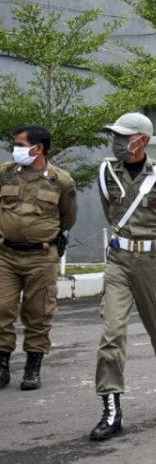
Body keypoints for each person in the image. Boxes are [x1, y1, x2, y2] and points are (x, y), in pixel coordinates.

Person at [90, 112, 156, 442]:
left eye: (124, 135)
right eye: (115, 135)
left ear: (142, 140)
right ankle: (111, 409)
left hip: (153, 261)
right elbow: (111, 212)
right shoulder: (107, 171)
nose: (117, 141)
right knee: (111, 332)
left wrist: (152, 245)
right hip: (119, 260)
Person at [0, 125, 77, 391]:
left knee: (38, 312)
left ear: (38, 148)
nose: (16, 150)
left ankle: (33, 366)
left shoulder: (61, 180)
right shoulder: (5, 173)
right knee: (1, 309)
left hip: (41, 257)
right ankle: (2, 364)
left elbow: (68, 217)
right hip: (5, 255)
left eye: (20, 145)